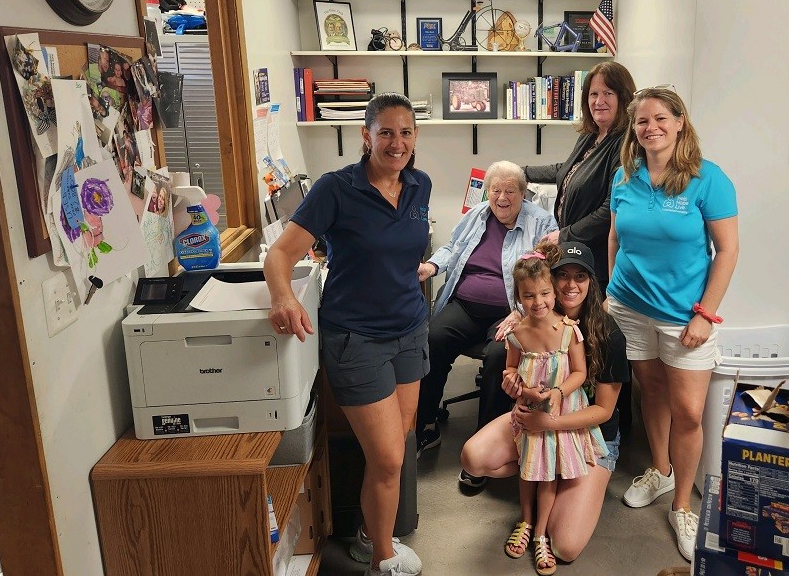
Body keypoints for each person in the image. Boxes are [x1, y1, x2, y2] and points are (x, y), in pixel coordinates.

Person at [265, 93, 431, 576]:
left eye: (405, 133)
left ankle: (369, 532)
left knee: (395, 448)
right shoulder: (336, 189)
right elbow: (279, 256)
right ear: (366, 136)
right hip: (356, 339)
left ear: (415, 138)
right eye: (386, 133)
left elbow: (401, 249)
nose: (396, 143)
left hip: (408, 330)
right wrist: (283, 297)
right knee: (387, 459)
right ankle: (382, 557)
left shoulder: (419, 186)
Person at [607, 86, 738, 562]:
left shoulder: (708, 179)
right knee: (652, 392)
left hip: (684, 316)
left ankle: (682, 504)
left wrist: (705, 314)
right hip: (629, 308)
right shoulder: (626, 175)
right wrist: (610, 295)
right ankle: (659, 471)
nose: (650, 128)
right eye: (642, 121)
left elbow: (728, 251)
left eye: (660, 118)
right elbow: (615, 236)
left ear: (680, 121)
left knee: (687, 411)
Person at [461, 241, 628, 563]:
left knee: (565, 546)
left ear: (591, 282)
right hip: (536, 417)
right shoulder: (534, 318)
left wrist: (549, 422)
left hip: (589, 430)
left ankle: (554, 492)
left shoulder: (606, 335)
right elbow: (511, 364)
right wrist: (514, 384)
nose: (570, 284)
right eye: (562, 275)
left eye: (580, 276)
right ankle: (540, 482)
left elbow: (604, 410)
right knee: (474, 458)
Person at [415, 161, 557, 464]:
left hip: (510, 312)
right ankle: (425, 425)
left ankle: (488, 443)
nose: (502, 198)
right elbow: (453, 247)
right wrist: (431, 266)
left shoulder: (542, 223)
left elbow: (546, 275)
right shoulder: (478, 215)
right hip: (465, 306)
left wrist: (521, 312)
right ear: (487, 192)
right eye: (496, 191)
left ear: (523, 193)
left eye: (510, 191)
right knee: (433, 339)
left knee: (498, 358)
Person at [499, 242, 607, 576]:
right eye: (529, 296)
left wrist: (558, 392)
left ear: (553, 294)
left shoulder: (568, 332)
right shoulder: (516, 334)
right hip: (529, 412)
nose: (538, 302)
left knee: (548, 473)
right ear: (519, 297)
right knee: (528, 468)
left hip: (560, 416)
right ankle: (526, 521)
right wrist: (520, 386)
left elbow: (581, 373)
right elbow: (510, 369)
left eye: (545, 294)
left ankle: (542, 533)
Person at [523, 61, 637, 294]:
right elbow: (566, 170)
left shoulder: (626, 143)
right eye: (593, 94)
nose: (599, 101)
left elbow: (610, 210)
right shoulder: (592, 135)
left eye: (608, 93)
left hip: (596, 260)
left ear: (624, 98)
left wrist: (564, 235)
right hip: (573, 250)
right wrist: (520, 171)